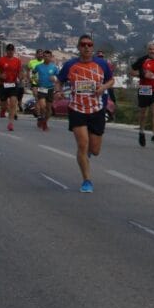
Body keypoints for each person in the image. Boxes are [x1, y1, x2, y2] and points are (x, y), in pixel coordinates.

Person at [56, 35, 115, 193]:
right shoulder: (70, 64)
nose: (87, 48)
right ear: (78, 47)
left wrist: (103, 88)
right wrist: (59, 91)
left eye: (90, 45)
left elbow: (111, 80)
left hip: (96, 109)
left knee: (95, 150)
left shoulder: (101, 64)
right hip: (77, 109)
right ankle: (87, 181)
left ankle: (88, 153)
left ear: (93, 47)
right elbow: (59, 80)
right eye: (83, 45)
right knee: (82, 144)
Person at [130, 42, 154, 147]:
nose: (152, 51)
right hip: (144, 88)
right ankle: (141, 131)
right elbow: (131, 72)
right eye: (150, 49)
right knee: (143, 113)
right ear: (147, 50)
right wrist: (143, 74)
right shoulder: (142, 60)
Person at [0, 44, 24, 132]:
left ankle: (10, 123)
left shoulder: (17, 61)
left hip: (13, 85)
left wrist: (20, 77)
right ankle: (3, 110)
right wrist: (0, 75)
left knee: (13, 102)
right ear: (6, 51)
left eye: (12, 50)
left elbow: (20, 72)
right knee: (3, 105)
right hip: (3, 85)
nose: (10, 52)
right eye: (9, 50)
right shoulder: (1, 60)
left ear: (14, 51)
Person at [31, 50, 59, 131]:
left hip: (50, 89)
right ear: (43, 57)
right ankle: (42, 119)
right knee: (43, 106)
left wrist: (55, 78)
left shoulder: (54, 67)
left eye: (48, 56)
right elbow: (33, 73)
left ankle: (45, 121)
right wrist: (34, 81)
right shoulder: (39, 66)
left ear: (51, 57)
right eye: (45, 56)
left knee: (49, 110)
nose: (46, 58)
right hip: (42, 89)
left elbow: (59, 78)